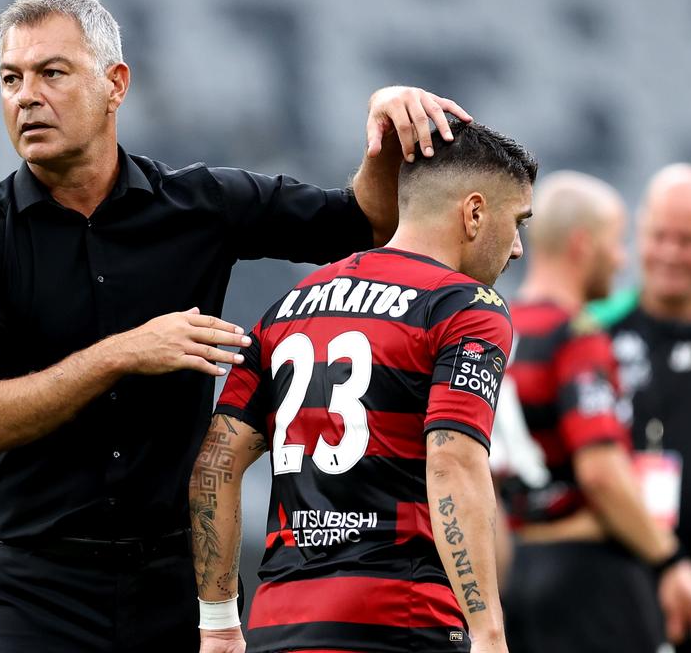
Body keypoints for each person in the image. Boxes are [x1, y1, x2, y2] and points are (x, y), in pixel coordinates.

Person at [0, 0, 473, 651]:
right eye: (11, 78)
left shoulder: (198, 205)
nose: (26, 95)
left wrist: (382, 128)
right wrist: (119, 353)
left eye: (52, 73)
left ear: (115, 83)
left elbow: (362, 223)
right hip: (32, 589)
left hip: (178, 587)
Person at [189, 120, 533, 653]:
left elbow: (215, 462)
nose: (516, 248)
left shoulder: (291, 305)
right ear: (474, 212)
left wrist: (216, 621)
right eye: (517, 222)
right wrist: (487, 629)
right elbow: (453, 462)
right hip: (399, 618)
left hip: (279, 621)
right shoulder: (465, 307)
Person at [494, 171, 691, 653]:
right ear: (584, 245)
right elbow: (601, 473)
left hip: (521, 571)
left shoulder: (500, 330)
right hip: (596, 579)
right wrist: (670, 561)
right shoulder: (580, 333)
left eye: (689, 240)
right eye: (619, 243)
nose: (622, 260)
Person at [590, 164, 691, 653]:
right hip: (615, 598)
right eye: (659, 236)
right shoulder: (591, 333)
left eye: (687, 240)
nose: (669, 253)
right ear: (639, 235)